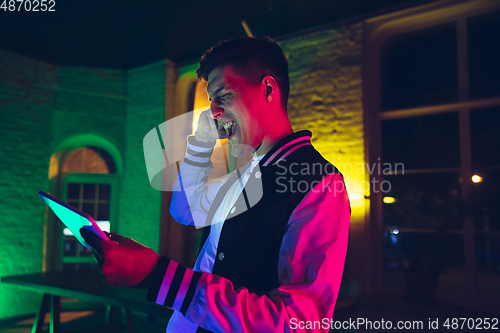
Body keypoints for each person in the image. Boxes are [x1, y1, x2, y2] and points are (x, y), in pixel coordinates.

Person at [82, 36, 351, 333]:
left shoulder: (321, 184)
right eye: (211, 100)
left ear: (268, 89)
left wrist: (160, 277)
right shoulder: (248, 171)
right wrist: (199, 145)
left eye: (222, 95)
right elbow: (186, 211)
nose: (213, 111)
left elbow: (299, 323)